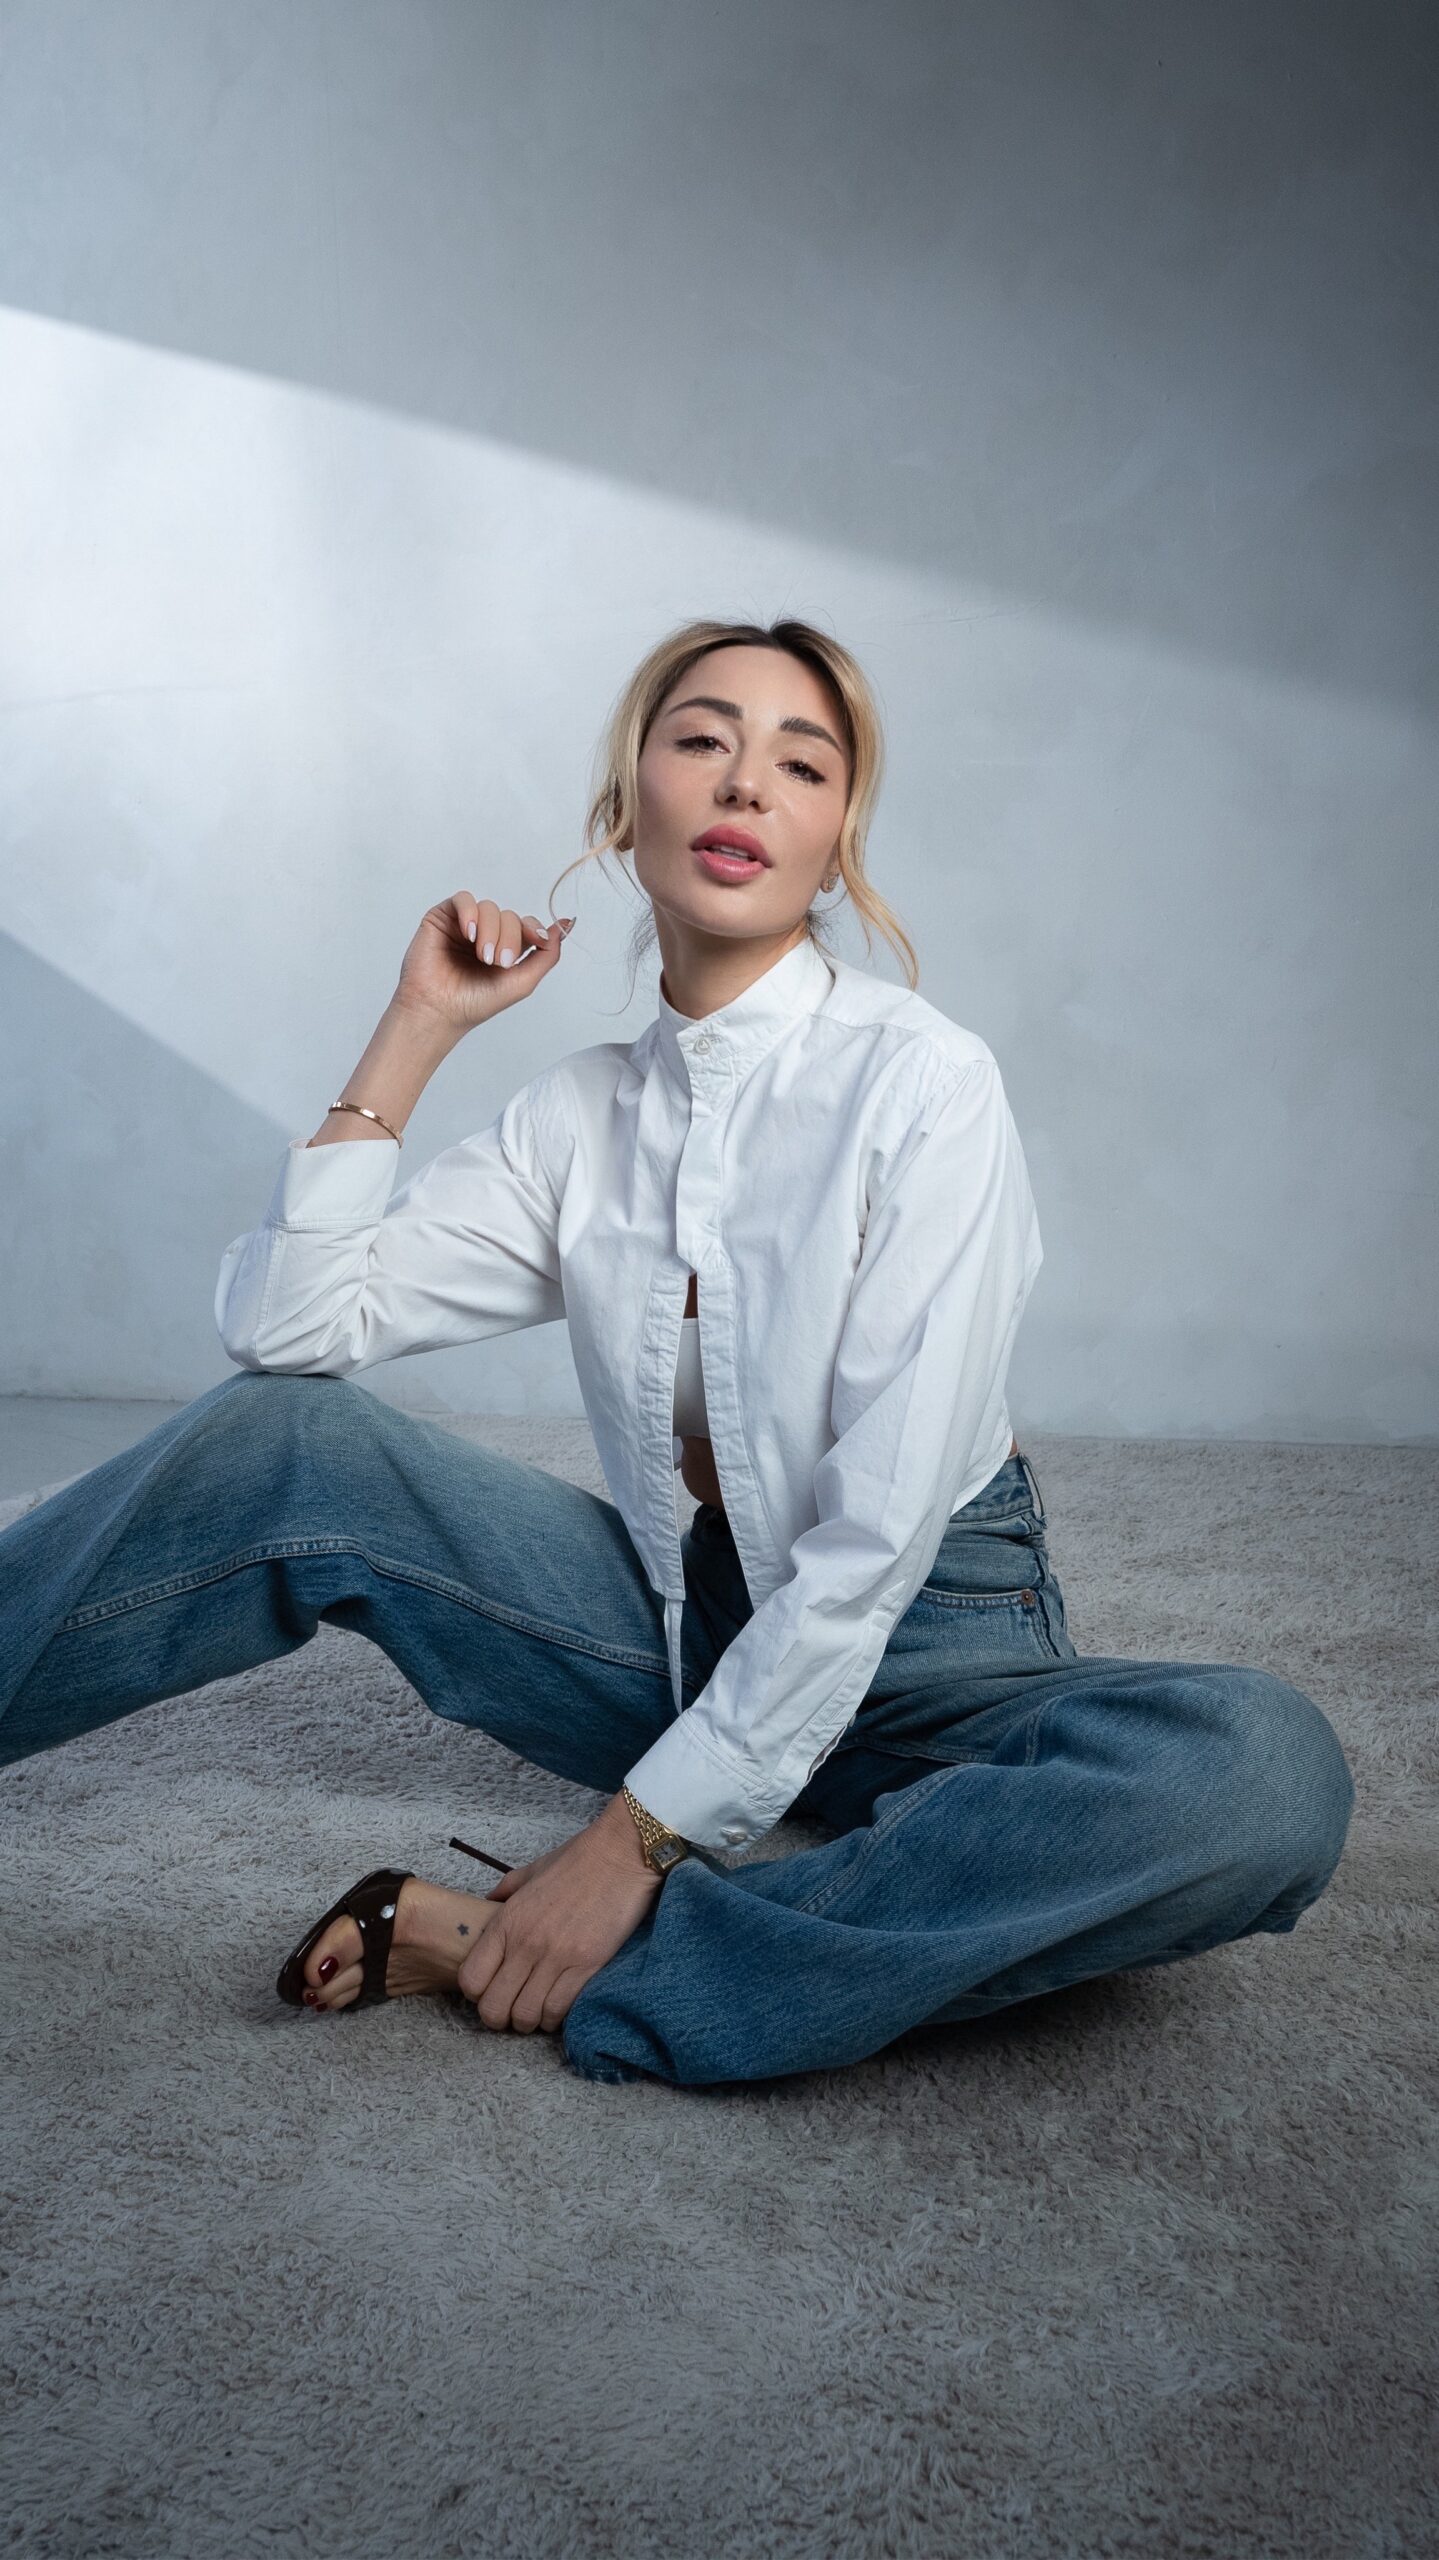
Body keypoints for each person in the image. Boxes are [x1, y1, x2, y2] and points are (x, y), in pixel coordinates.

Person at [0, 617, 1355, 2089]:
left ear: (835, 844)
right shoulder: (579, 1119)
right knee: (286, 1442)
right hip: (681, 1629)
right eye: (703, 740)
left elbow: (876, 1540)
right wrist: (418, 1025)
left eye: (802, 765)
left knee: (1260, 1773)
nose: (746, 784)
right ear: (625, 803)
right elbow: (288, 1330)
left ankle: (596, 1954)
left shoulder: (926, 1085)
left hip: (933, 1646)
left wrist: (628, 1843)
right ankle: (825, 1908)